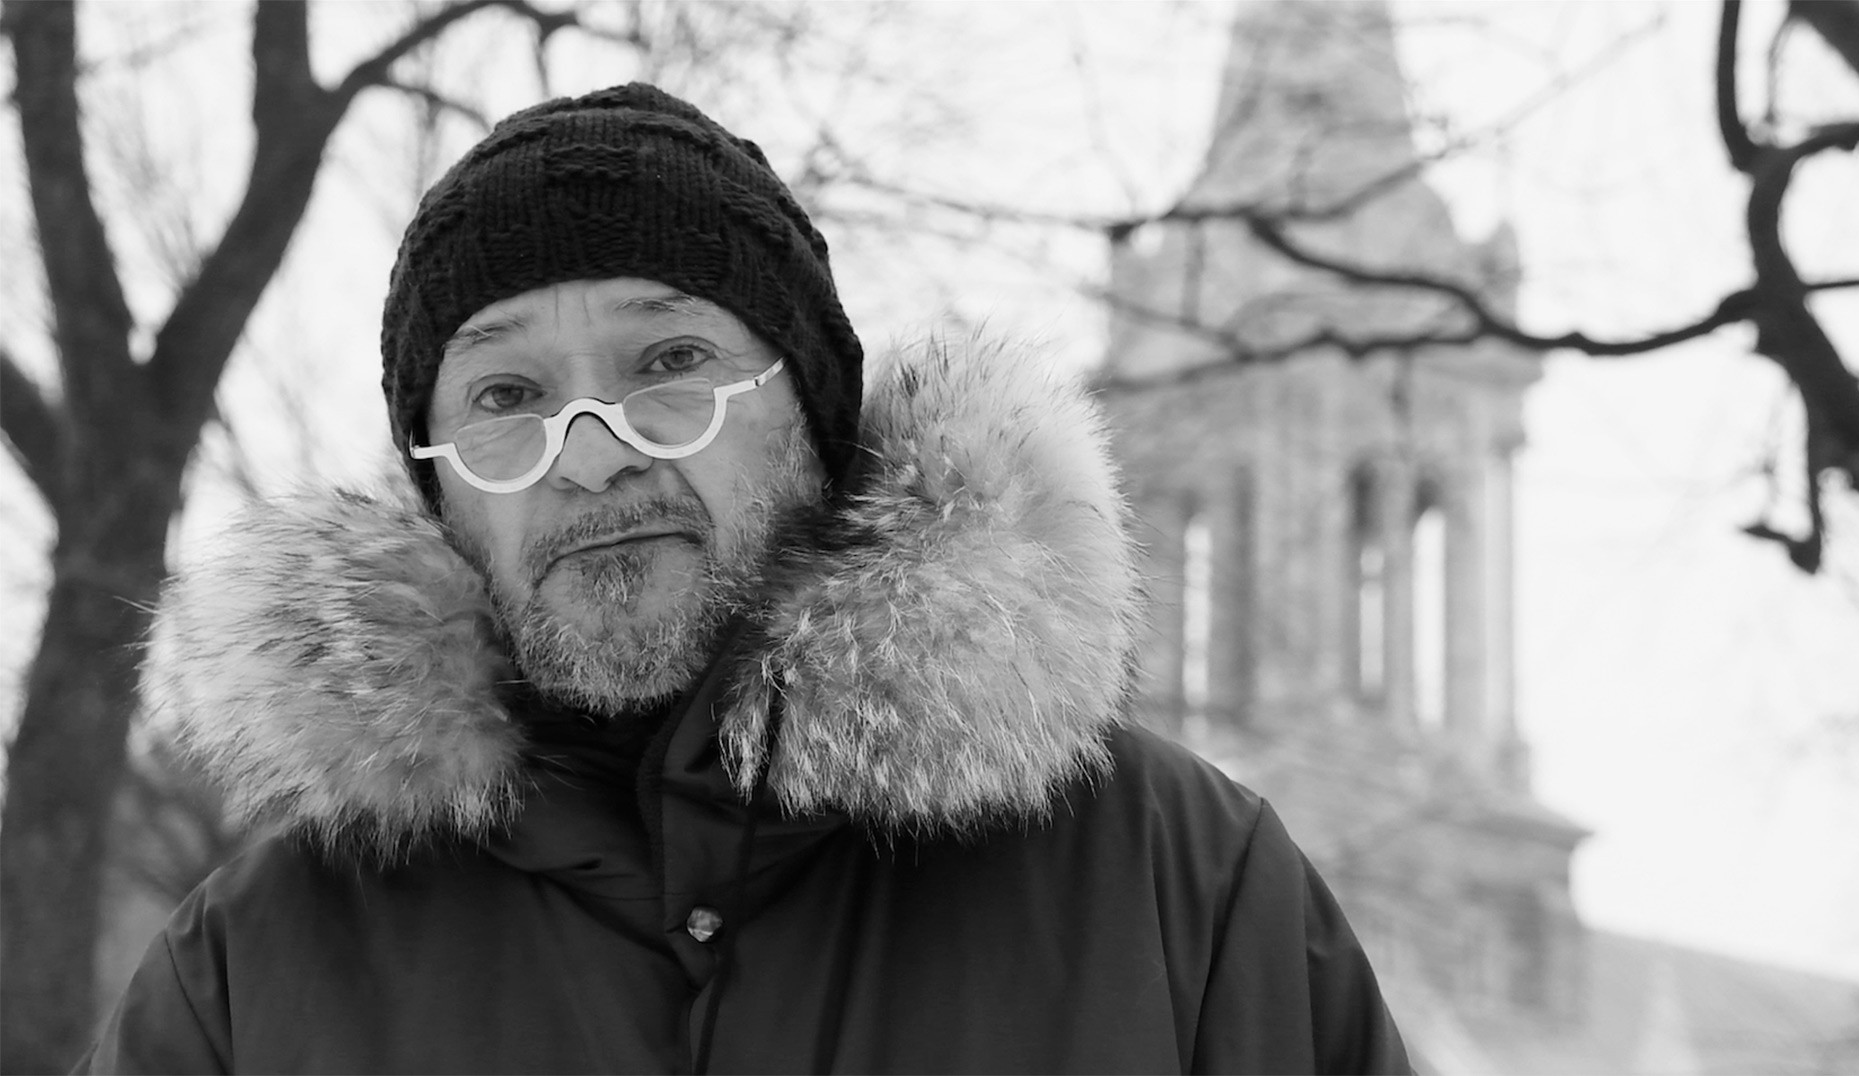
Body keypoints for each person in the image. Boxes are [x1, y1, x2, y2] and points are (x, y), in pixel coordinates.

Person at [81, 83, 1409, 1075]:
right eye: (506, 393)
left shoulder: (1181, 891)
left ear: (813, 413)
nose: (589, 460)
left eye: (670, 363)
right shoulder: (246, 983)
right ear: (439, 483)